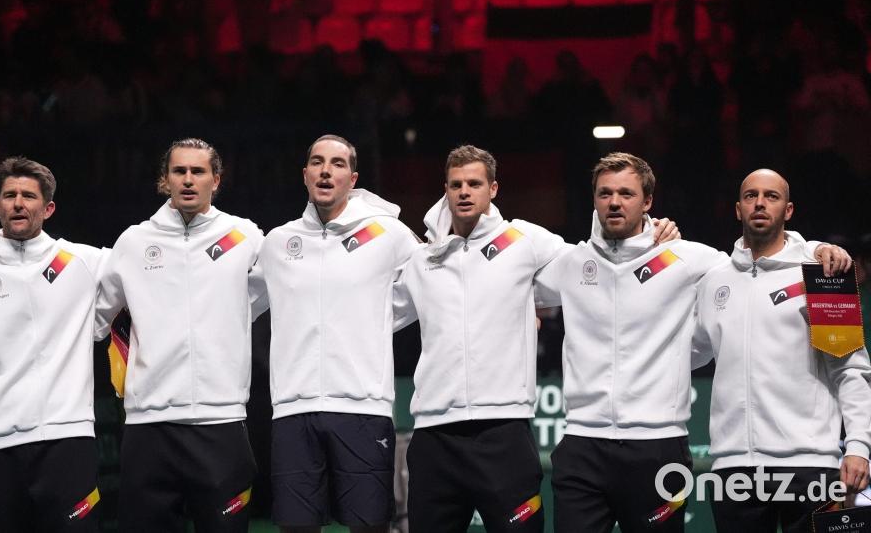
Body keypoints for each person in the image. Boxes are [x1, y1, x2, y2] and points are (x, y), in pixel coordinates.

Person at [533, 154, 850, 533]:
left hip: (665, 448)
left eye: (626, 193)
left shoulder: (691, 259)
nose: (615, 201)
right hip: (587, 443)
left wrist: (815, 250)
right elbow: (505, 281)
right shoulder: (571, 263)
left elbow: (760, 259)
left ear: (648, 202)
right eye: (605, 193)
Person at [391, 145, 678, 533]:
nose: (464, 192)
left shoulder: (523, 240)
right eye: (456, 184)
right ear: (445, 188)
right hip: (433, 436)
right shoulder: (424, 260)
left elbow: (597, 270)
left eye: (474, 183)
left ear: (493, 189)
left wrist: (651, 235)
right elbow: (377, 316)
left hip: (504, 434)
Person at [250, 134, 420, 532]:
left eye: (338, 163)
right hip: (293, 411)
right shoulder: (278, 242)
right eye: (317, 162)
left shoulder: (388, 235)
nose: (326, 170)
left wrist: (377, 317)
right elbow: (234, 301)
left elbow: (434, 283)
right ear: (305, 174)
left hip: (364, 409)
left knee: (369, 526)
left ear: (353, 177)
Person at [95, 138, 264, 532]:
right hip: (149, 424)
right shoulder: (133, 242)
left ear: (216, 180)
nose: (188, 180)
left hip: (221, 422)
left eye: (198, 171)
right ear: (164, 180)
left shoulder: (245, 237)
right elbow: (93, 320)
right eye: (179, 171)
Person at [692, 169, 871, 533]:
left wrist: (858, 446)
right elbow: (690, 354)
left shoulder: (823, 273)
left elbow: (850, 369)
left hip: (809, 463)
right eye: (751, 196)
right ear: (737, 209)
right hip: (733, 467)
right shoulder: (713, 281)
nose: (760, 203)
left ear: (788, 210)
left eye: (771, 197)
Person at [0, 157, 104, 532]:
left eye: (28, 195)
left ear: (48, 207)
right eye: (9, 195)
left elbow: (147, 279)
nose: (18, 203)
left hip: (67, 439)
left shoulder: (85, 262)